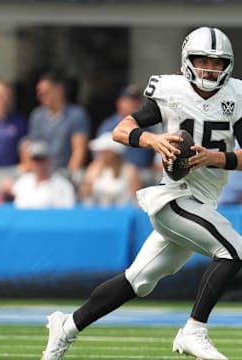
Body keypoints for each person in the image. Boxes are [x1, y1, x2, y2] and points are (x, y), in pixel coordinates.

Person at [41, 27, 241, 360]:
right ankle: (194, 330)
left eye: (216, 62)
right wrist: (154, 140)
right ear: (187, 61)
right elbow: (121, 130)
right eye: (201, 60)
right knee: (234, 249)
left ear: (228, 66)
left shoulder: (235, 96)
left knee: (140, 280)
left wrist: (215, 157)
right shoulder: (169, 90)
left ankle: (66, 326)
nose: (208, 68)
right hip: (174, 197)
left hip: (202, 203)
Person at [28, 72, 91, 185]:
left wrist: (67, 177)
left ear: (59, 90)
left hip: (65, 171)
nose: (40, 96)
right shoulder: (37, 116)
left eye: (45, 92)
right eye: (39, 92)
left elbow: (79, 151)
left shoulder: (76, 115)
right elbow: (32, 147)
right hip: (41, 171)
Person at [97, 84, 160, 191]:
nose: (133, 104)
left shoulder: (148, 127)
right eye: (129, 100)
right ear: (119, 103)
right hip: (114, 173)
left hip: (142, 176)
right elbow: (100, 156)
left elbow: (155, 159)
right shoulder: (108, 126)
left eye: (136, 100)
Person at [12, 139, 76, 209]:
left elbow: (68, 213)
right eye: (35, 159)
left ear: (49, 160)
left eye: (42, 159)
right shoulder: (22, 182)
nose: (38, 164)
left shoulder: (63, 185)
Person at [78, 132, 134, 206]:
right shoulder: (94, 168)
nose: (100, 155)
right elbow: (84, 193)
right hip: (99, 213)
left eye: (104, 152)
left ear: (113, 153)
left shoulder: (130, 171)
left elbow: (134, 199)